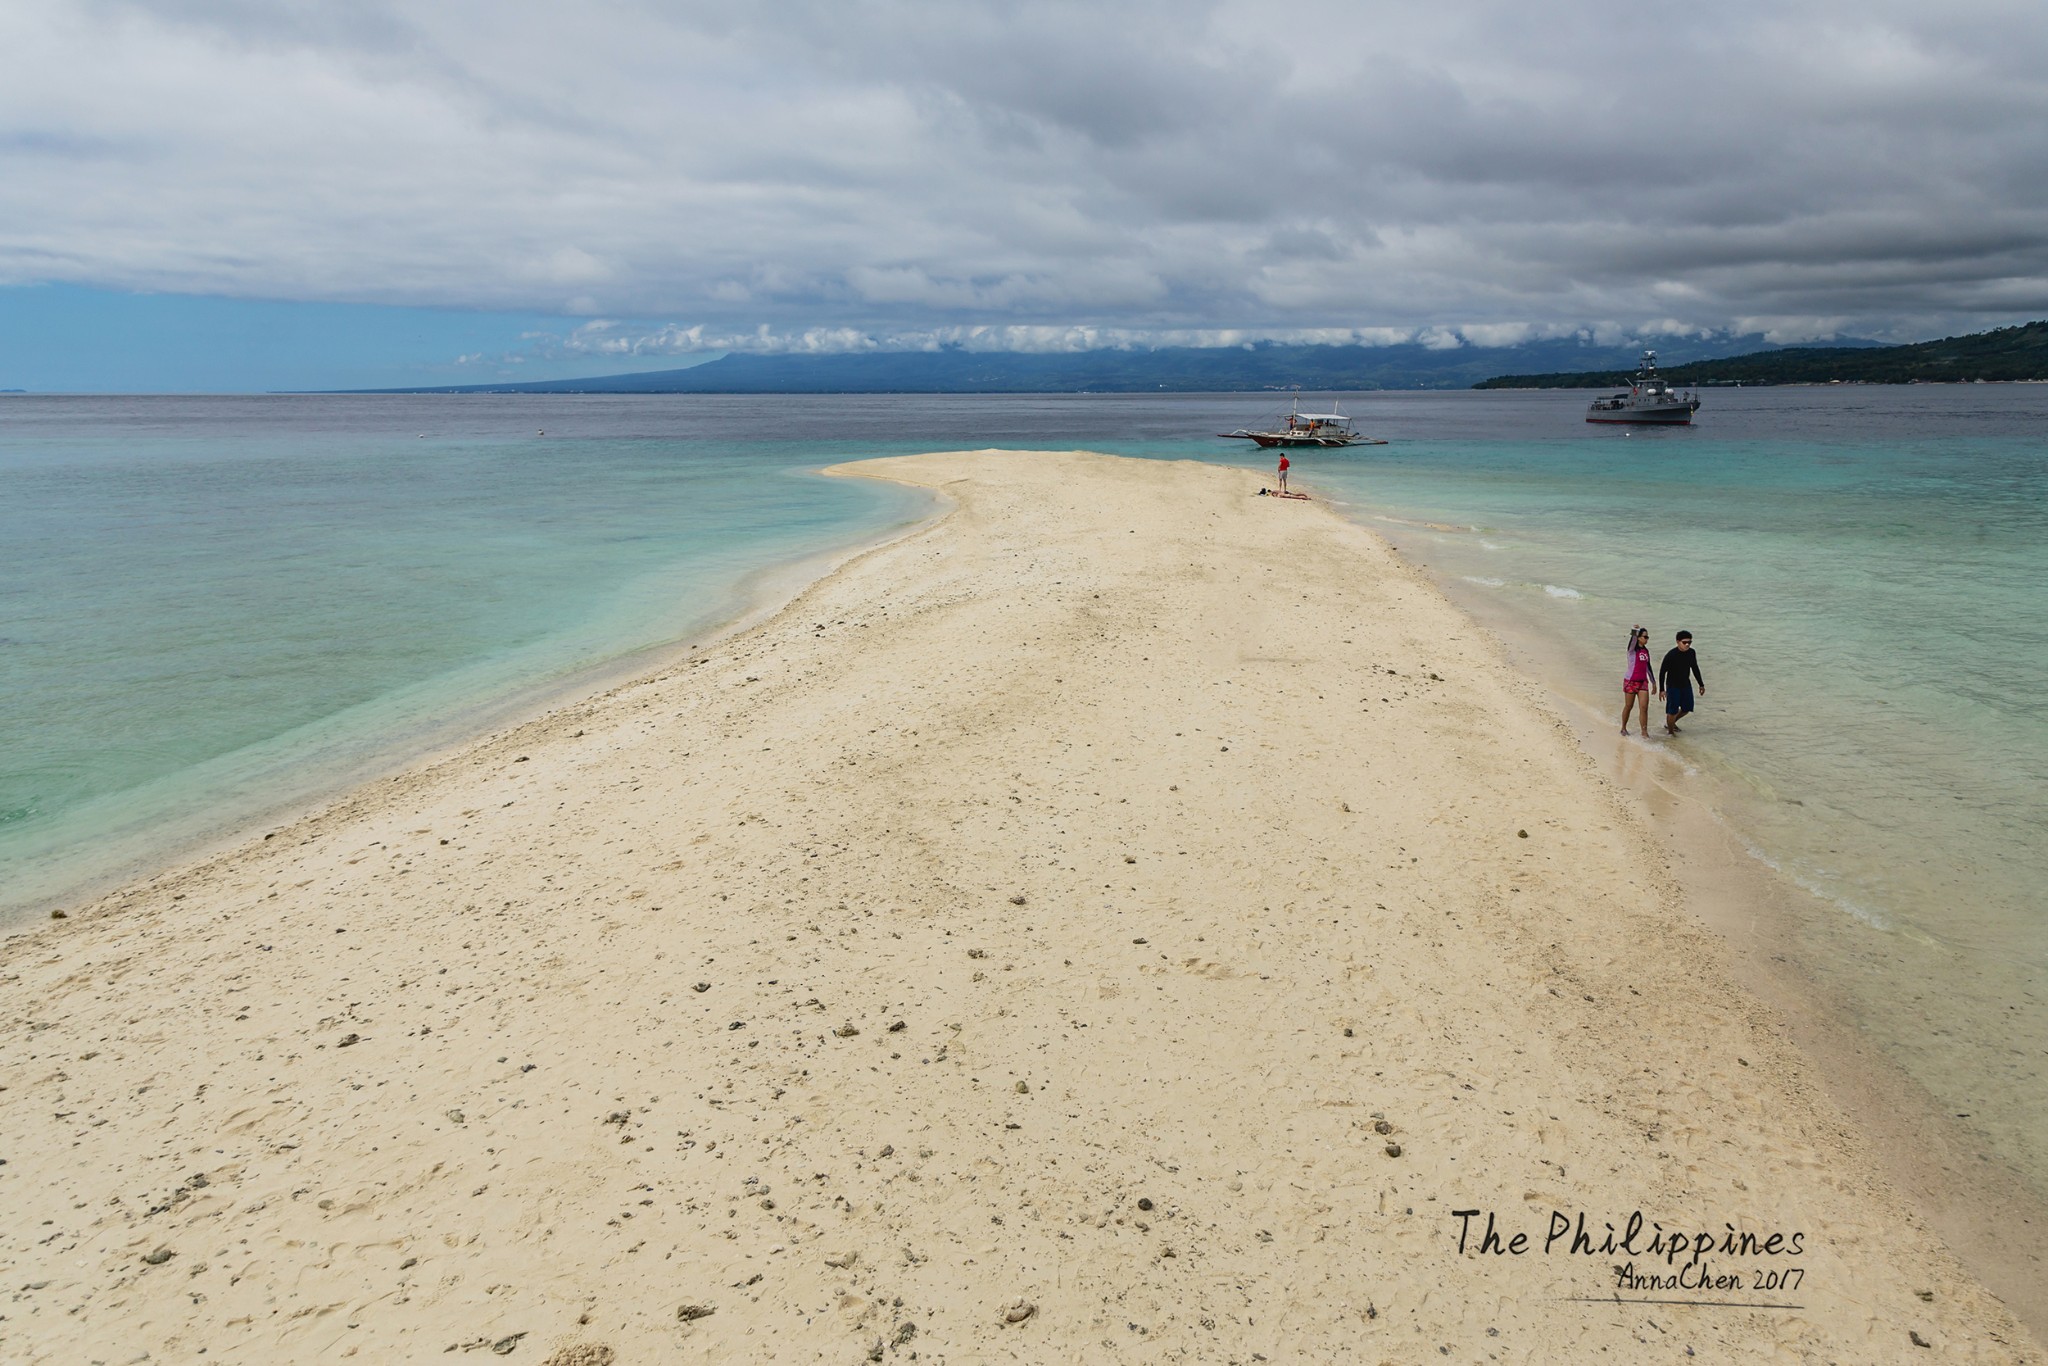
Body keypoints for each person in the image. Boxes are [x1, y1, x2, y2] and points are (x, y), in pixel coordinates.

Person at [1659, 630, 1705, 734]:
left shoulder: (1691, 653)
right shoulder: (1671, 655)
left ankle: (1670, 723)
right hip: (1672, 685)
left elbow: (1695, 668)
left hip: (1685, 684)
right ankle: (1670, 732)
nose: (1687, 644)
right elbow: (1662, 672)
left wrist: (1701, 684)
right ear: (1678, 642)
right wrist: (1662, 689)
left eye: (1689, 642)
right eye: (1684, 642)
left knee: (1687, 708)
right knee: (1672, 710)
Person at [1620, 626, 1654, 735]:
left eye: (1648, 637)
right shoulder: (1632, 650)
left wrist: (1654, 683)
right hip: (1631, 681)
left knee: (1644, 707)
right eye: (1645, 637)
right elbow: (1632, 640)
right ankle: (1623, 727)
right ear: (1639, 638)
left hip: (1643, 682)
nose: (1647, 639)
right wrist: (1634, 631)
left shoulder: (1646, 651)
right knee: (1629, 706)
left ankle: (1644, 732)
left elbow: (1648, 667)